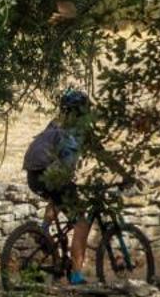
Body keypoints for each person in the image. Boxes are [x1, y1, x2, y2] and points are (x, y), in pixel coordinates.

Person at [22, 88, 127, 284]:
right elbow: (104, 156)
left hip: (33, 175)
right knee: (81, 222)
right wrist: (125, 175)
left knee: (56, 194)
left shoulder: (54, 124)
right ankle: (77, 275)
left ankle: (44, 230)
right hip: (54, 174)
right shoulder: (81, 130)